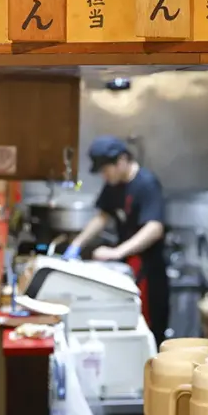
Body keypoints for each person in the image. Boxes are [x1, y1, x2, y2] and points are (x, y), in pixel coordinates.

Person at [66, 136, 170, 346]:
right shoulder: (114, 184)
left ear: (122, 160)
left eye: (106, 170)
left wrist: (117, 252)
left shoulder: (146, 183)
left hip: (149, 273)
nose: (104, 176)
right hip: (128, 269)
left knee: (148, 336)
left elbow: (154, 228)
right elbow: (103, 215)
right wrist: (76, 244)